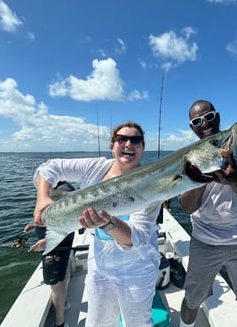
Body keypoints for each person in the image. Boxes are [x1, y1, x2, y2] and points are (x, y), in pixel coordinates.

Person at [32, 121, 161, 327]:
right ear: (112, 145)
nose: (128, 144)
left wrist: (107, 223)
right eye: (122, 139)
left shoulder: (152, 184)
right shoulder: (97, 166)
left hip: (137, 267)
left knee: (137, 323)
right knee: (97, 323)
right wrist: (42, 199)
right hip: (100, 263)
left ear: (143, 148)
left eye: (136, 140)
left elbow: (134, 239)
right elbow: (48, 168)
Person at [179, 100, 237, 327]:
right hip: (203, 239)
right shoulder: (188, 157)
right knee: (192, 298)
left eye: (209, 117)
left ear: (217, 117)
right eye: (197, 121)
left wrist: (233, 178)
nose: (204, 123)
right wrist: (200, 177)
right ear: (192, 128)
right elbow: (188, 208)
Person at [24, 181, 76, 327]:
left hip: (55, 243)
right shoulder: (57, 189)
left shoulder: (61, 191)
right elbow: (49, 212)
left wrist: (46, 241)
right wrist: (33, 223)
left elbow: (67, 219)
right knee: (62, 271)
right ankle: (63, 303)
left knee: (54, 282)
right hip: (56, 241)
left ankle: (60, 322)